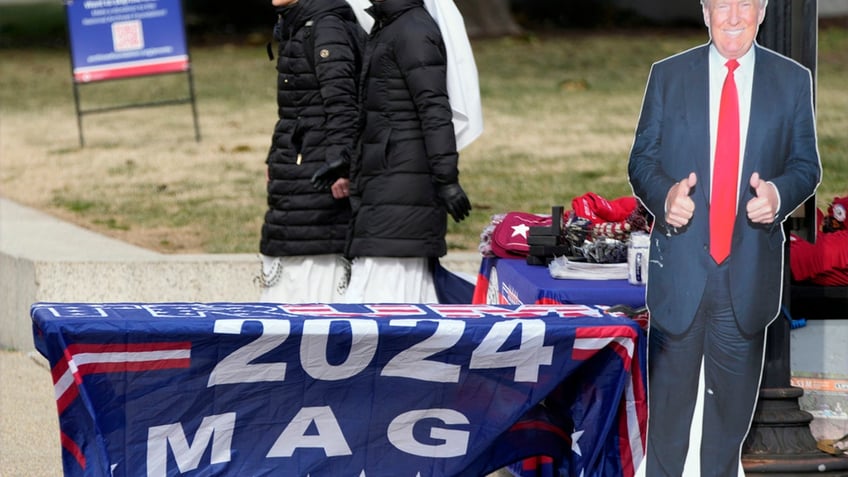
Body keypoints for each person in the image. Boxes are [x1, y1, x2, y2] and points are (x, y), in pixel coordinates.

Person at [627, 0, 821, 475]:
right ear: (705, 11)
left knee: (726, 436)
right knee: (666, 435)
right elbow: (641, 162)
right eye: (722, 5)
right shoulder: (669, 76)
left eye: (745, 5)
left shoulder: (793, 80)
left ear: (762, 10)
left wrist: (777, 195)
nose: (733, 17)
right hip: (681, 277)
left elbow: (806, 166)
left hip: (747, 278)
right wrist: (665, 196)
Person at [340, 0, 473, 303]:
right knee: (379, 278)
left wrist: (447, 179)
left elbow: (435, 110)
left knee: (391, 284)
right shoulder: (389, 25)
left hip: (403, 179)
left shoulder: (412, 29)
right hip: (389, 174)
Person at [257, 0, 365, 303]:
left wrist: (342, 165)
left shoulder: (326, 27)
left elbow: (343, 104)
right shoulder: (296, 25)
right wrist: (274, 158)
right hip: (296, 161)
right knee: (293, 242)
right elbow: (294, 111)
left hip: (320, 166)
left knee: (313, 250)